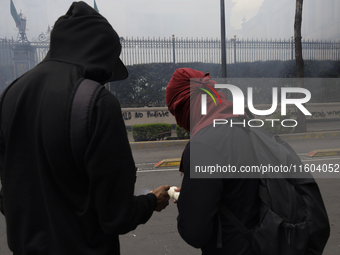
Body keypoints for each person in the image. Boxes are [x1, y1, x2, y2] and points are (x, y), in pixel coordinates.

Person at [0, 2, 169, 254]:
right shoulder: (96, 102)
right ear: (100, 53)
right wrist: (151, 202)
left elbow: (9, 195)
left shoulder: (10, 94)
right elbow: (116, 216)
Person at [165, 68, 260, 254]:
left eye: (176, 111)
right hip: (262, 242)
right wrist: (197, 192)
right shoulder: (245, 124)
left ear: (187, 103)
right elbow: (238, 190)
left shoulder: (205, 144)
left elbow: (195, 232)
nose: (179, 121)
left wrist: (188, 201)